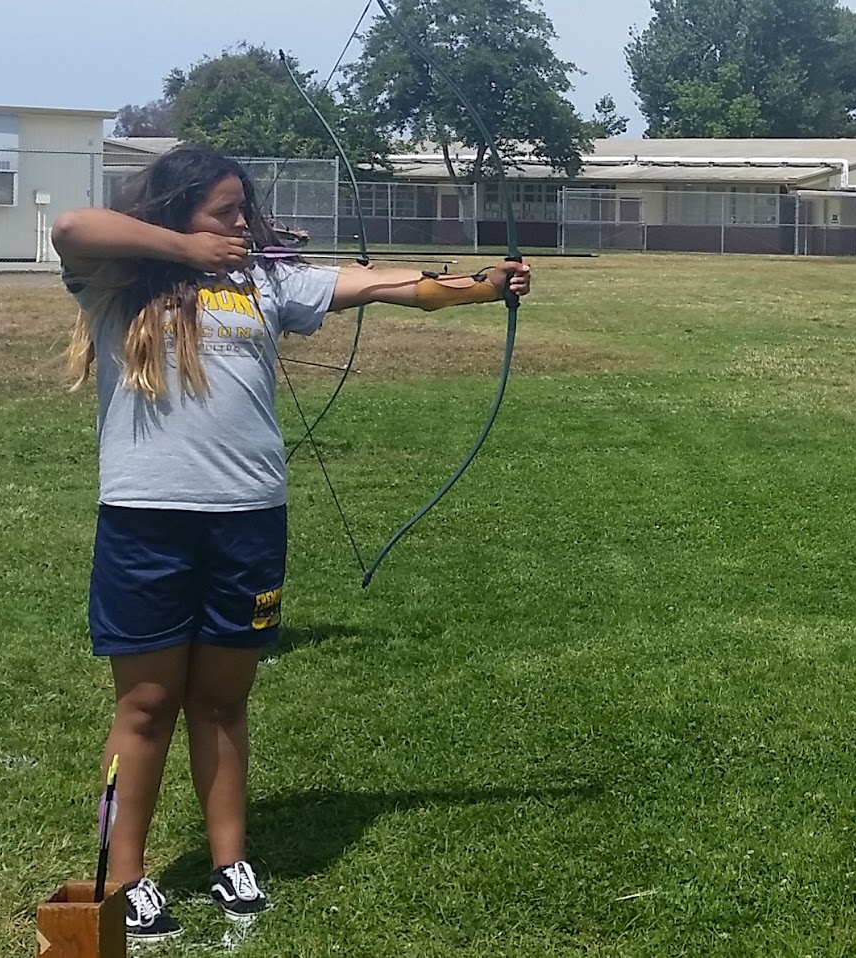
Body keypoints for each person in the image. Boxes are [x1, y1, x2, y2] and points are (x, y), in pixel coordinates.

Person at [51, 146, 530, 942]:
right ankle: (125, 873)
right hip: (146, 518)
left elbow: (390, 287)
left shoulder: (264, 281)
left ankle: (229, 860)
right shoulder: (119, 279)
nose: (243, 224)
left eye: (246, 211)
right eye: (225, 213)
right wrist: (186, 252)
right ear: (177, 215)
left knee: (221, 701)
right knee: (144, 705)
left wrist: (484, 285)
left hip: (248, 518)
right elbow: (71, 225)